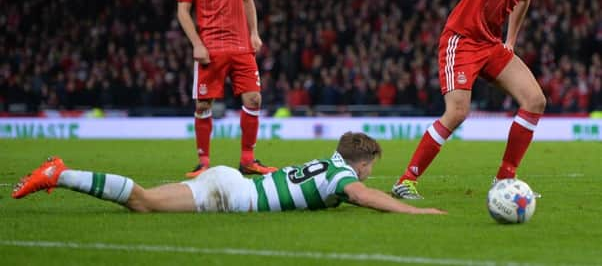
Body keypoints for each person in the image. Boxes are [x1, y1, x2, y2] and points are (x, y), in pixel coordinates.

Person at [392, 0, 552, 199]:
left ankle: (504, 179)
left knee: (535, 100)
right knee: (457, 112)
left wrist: (511, 39)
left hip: (491, 42)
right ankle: (405, 181)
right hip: (462, 37)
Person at [12, 132, 446, 215]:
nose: (371, 175)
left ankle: (60, 173)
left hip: (231, 183)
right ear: (362, 163)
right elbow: (364, 196)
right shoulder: (343, 180)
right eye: (371, 167)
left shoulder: (330, 162)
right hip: (232, 196)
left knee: (145, 204)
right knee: (142, 202)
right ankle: (61, 173)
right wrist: (418, 214)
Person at [176, 0, 277, 177]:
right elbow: (183, 11)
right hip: (210, 48)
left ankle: (248, 160)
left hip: (242, 46)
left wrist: (254, 33)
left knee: (254, 98)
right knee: (203, 105)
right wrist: (196, 43)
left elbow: (247, 1)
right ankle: (204, 163)